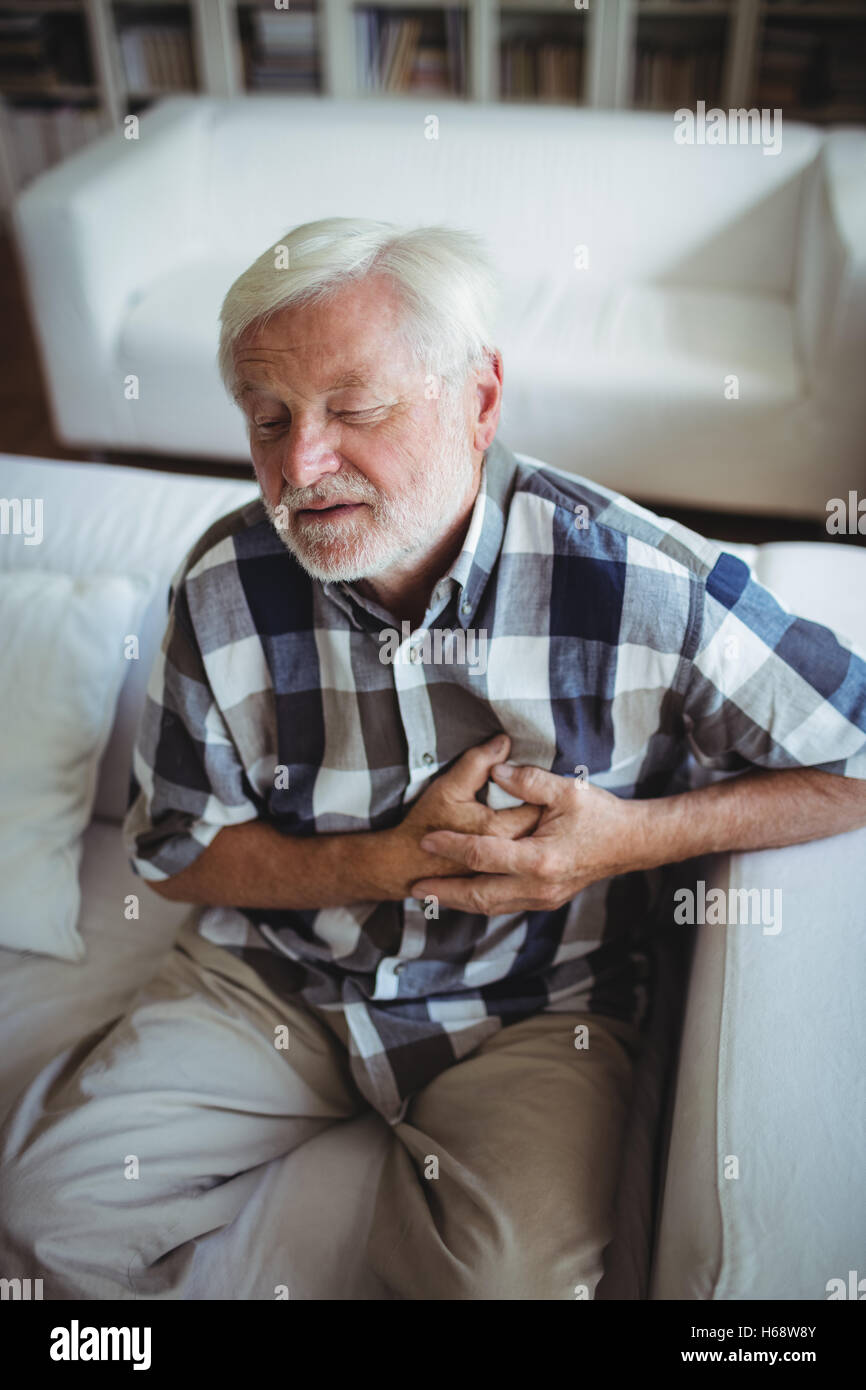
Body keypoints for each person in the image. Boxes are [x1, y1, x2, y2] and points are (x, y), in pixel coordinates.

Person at [2, 218, 865, 1300]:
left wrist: (631, 840)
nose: (301, 466)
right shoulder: (222, 585)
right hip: (279, 978)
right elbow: (175, 853)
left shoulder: (637, 579)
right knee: (44, 1215)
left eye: (353, 410)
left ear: (480, 397)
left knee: (508, 1287)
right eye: (268, 420)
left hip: (537, 1004)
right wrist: (385, 863)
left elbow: (856, 752)